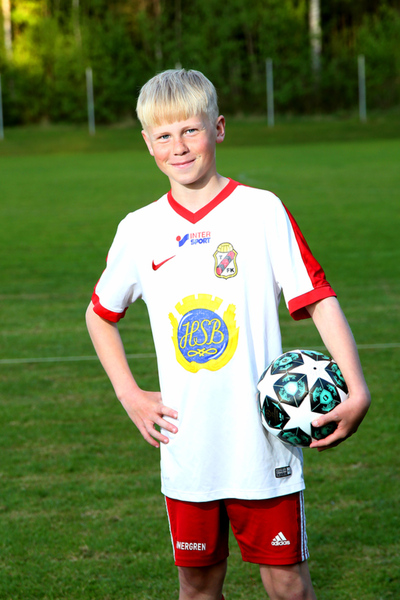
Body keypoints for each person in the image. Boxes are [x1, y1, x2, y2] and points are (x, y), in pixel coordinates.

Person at [85, 69, 371, 600]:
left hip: (262, 446)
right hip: (188, 448)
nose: (178, 146)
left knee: (287, 584)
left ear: (217, 128)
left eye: (190, 130)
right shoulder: (139, 228)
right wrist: (129, 393)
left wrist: (358, 388)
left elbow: (317, 297)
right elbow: (100, 314)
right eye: (164, 135)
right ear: (147, 143)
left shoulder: (260, 210)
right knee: (197, 587)